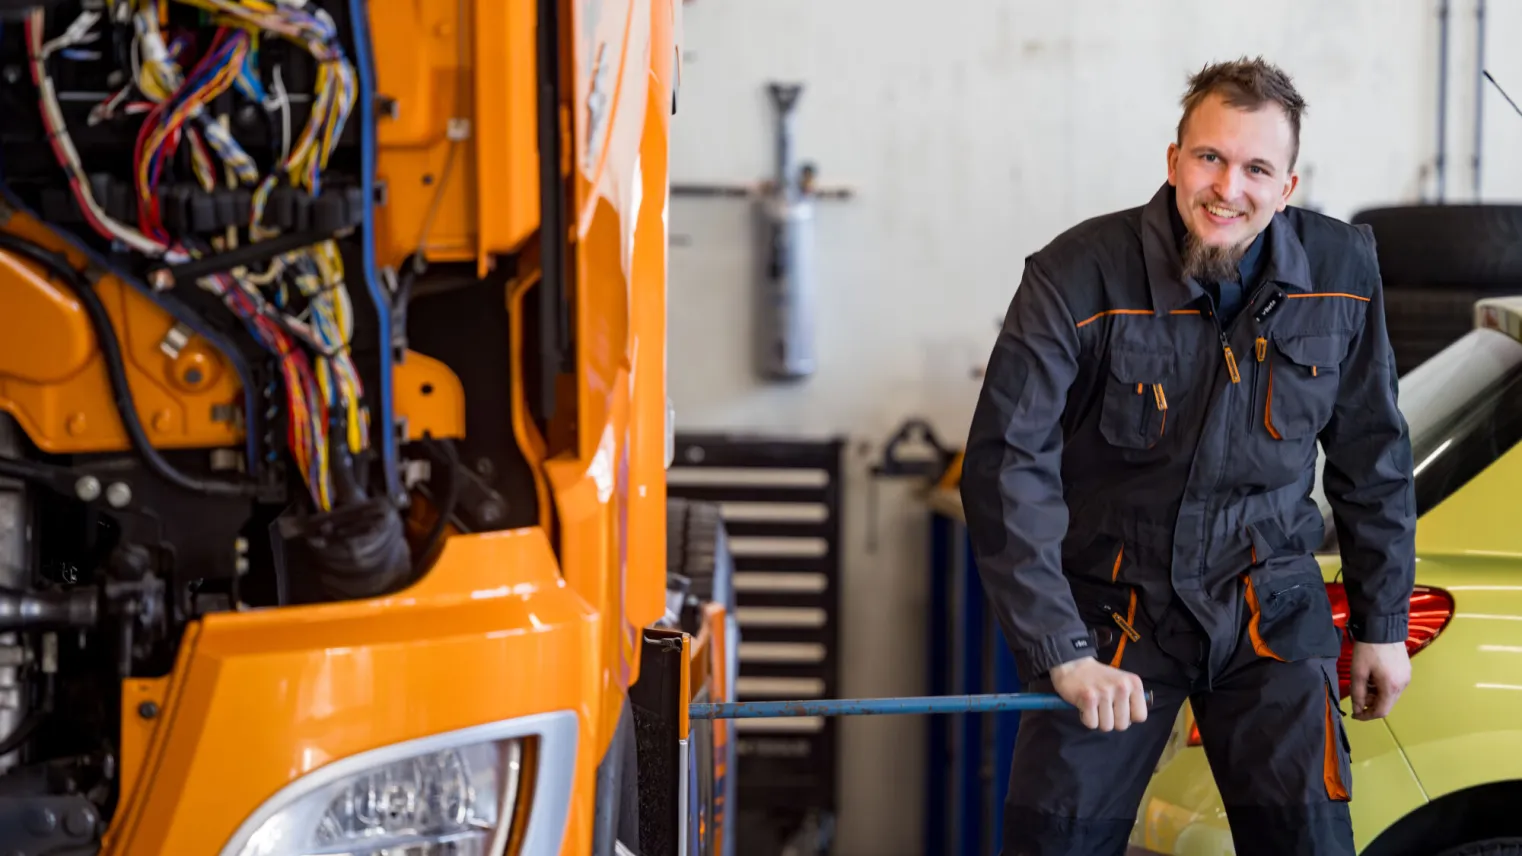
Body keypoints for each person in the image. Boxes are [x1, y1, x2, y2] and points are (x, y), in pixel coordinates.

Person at [959, 56, 1416, 856]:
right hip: (1115, 616)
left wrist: (1381, 623)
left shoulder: (1343, 274)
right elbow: (1006, 469)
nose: (1227, 187)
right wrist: (1061, 650)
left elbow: (1371, 452)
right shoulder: (1077, 275)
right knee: (1053, 842)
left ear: (1288, 187)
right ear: (1174, 162)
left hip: (1270, 612)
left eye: (1256, 168)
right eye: (1210, 157)